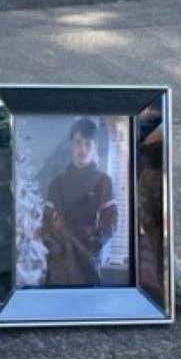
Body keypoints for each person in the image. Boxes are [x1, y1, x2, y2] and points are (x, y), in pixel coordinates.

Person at [42, 118, 118, 286]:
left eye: (87, 144)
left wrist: (90, 245)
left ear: (95, 147)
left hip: (87, 268)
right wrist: (57, 248)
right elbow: (46, 224)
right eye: (78, 142)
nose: (82, 149)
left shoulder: (103, 182)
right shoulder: (57, 183)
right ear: (71, 145)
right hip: (57, 269)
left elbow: (110, 224)